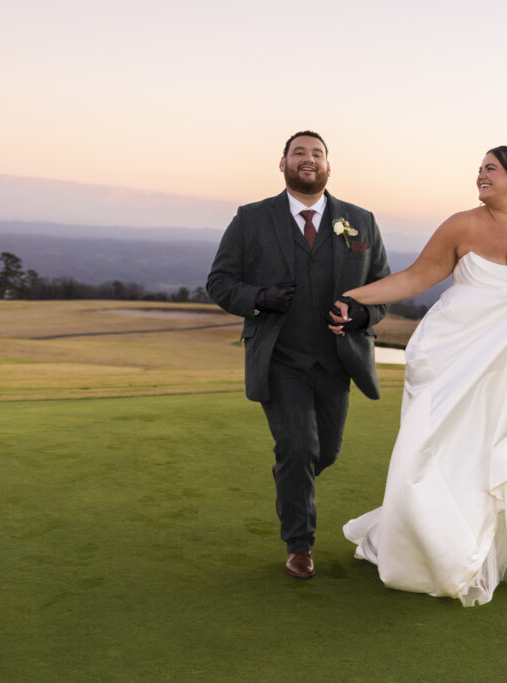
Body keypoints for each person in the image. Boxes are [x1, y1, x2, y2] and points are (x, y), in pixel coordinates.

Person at [332, 146, 507, 605]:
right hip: (458, 357)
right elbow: (415, 277)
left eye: (490, 168)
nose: (480, 176)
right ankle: (441, 546)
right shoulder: (461, 225)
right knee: (443, 448)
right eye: (479, 170)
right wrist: (353, 296)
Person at [207, 131, 390, 579]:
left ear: (329, 165)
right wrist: (259, 296)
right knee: (299, 447)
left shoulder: (360, 221)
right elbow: (220, 282)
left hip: (336, 360)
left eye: (317, 154)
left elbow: (384, 286)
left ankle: (288, 480)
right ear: (283, 163)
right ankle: (299, 544)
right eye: (299, 153)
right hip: (279, 359)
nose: (308, 159)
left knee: (324, 452)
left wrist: (359, 318)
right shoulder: (251, 219)